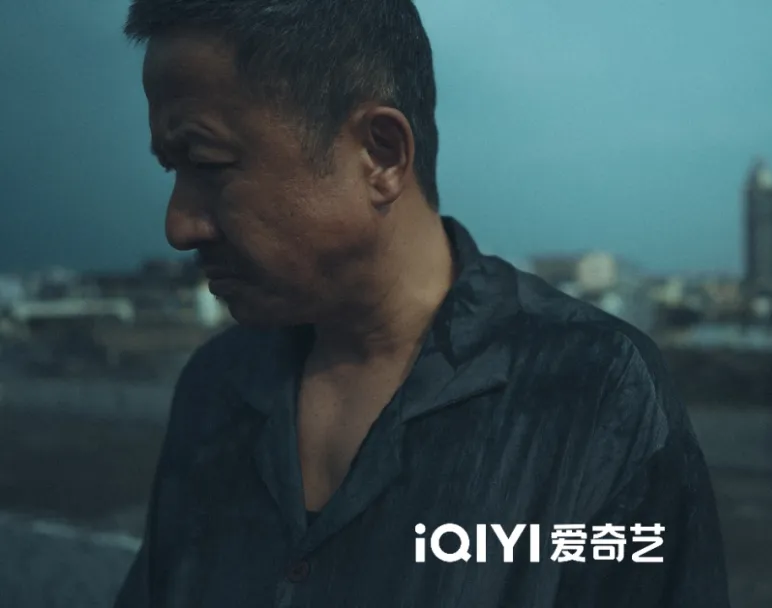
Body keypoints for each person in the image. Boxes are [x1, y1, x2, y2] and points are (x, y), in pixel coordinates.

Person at [115, 1, 730, 606]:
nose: (179, 226)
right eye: (173, 170)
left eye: (208, 164)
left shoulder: (595, 392)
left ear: (381, 155)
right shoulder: (217, 387)